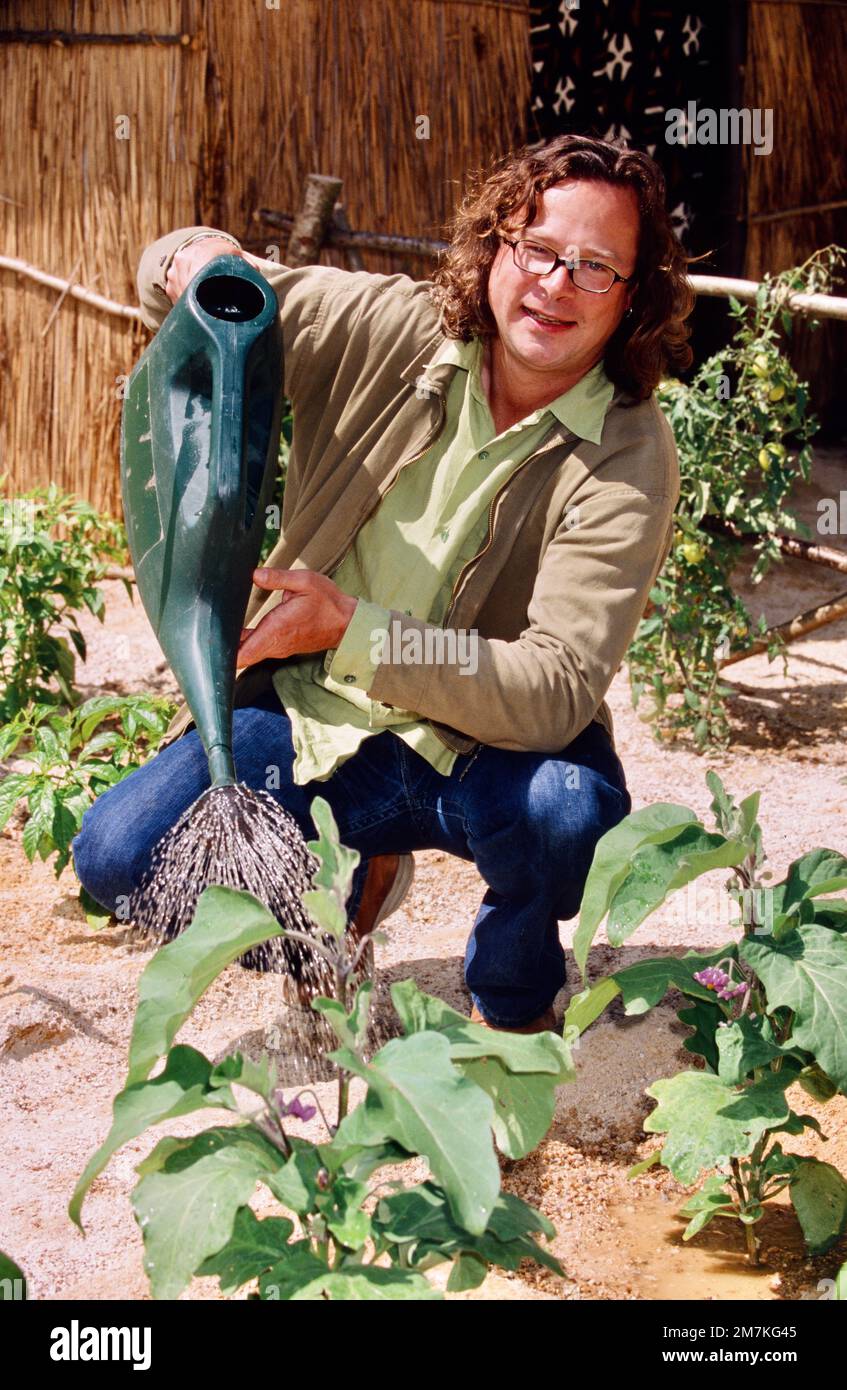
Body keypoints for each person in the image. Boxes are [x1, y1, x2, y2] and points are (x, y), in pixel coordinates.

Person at [72, 133, 694, 1034]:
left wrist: (353, 629)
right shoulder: (385, 329)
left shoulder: (629, 451)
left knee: (567, 817)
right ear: (494, 249)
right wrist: (197, 260)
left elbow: (556, 688)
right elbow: (192, 272)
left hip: (485, 751)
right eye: (539, 250)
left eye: (596, 267)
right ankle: (330, 923)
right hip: (310, 712)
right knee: (122, 857)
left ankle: (512, 1000)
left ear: (632, 297)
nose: (557, 285)